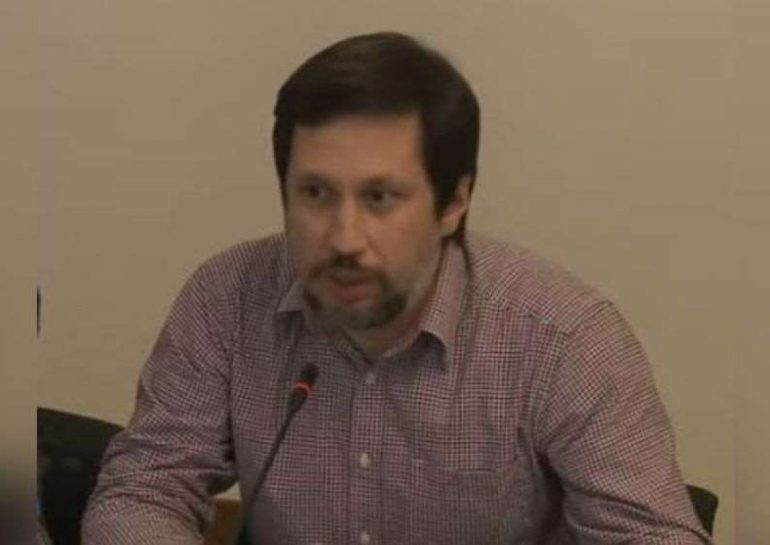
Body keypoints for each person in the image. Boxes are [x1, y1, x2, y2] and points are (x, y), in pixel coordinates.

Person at [83, 32, 712, 544]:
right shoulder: (225, 298)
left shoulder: (563, 338)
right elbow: (144, 489)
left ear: (453, 203)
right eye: (315, 193)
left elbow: (653, 536)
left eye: (380, 198)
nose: (344, 238)